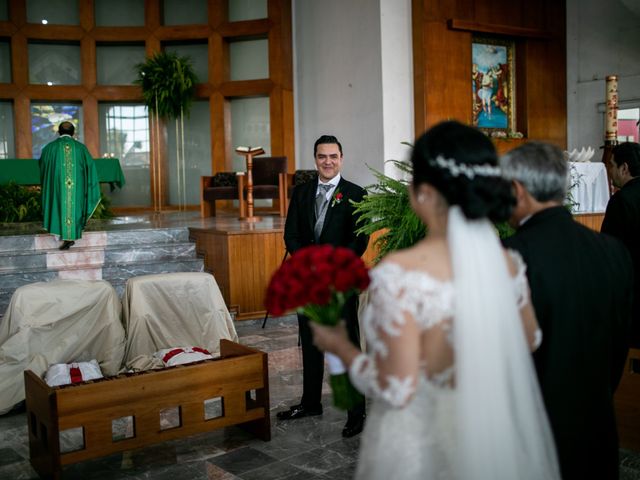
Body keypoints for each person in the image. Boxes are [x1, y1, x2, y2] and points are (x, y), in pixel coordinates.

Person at [311, 121, 560, 479]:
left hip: (422, 444)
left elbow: (394, 387)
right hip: (491, 435)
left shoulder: (399, 274)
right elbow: (530, 340)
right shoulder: (507, 265)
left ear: (422, 191)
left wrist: (341, 347)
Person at [501, 141, 633, 480]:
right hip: (597, 432)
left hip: (528, 441)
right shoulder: (613, 251)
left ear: (517, 189)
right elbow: (619, 342)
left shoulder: (507, 257)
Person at [278, 134, 369, 438]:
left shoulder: (356, 194)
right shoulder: (301, 193)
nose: (327, 161)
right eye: (321, 156)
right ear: (315, 159)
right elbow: (290, 235)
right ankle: (311, 402)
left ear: (341, 158)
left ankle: (357, 413)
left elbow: (360, 240)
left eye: (333, 156)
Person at [602, 142, 640, 348]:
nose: (610, 170)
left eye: (612, 165)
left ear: (624, 168)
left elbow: (610, 251)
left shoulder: (621, 201)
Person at [40, 121, 101, 250]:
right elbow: (90, 168)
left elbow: (42, 165)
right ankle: (70, 236)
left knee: (58, 204)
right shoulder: (81, 148)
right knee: (73, 206)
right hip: (76, 187)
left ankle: (60, 234)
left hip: (57, 187)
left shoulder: (49, 148)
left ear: (59, 132)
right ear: (73, 133)